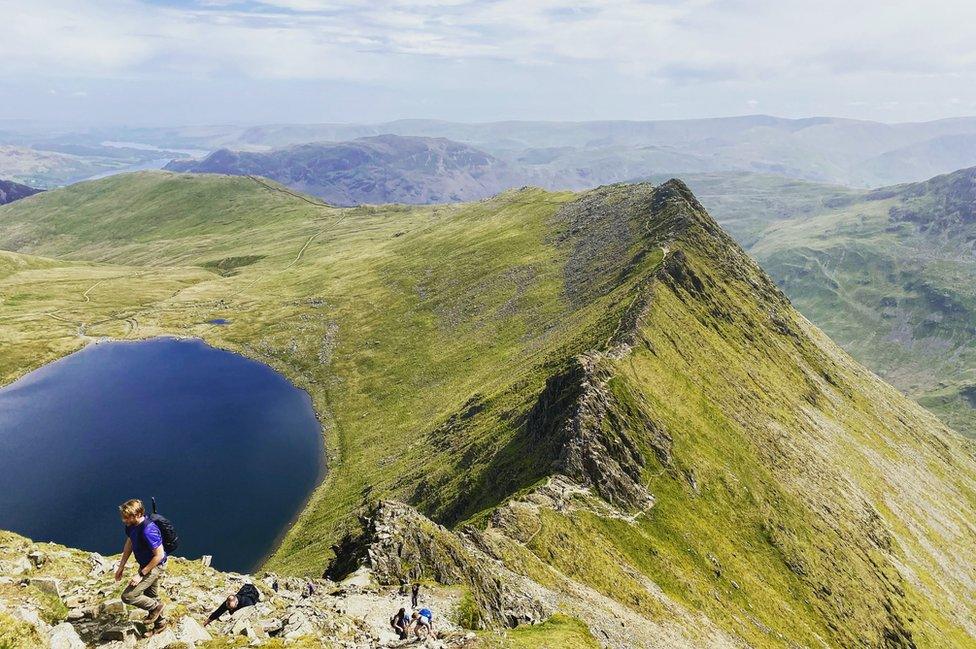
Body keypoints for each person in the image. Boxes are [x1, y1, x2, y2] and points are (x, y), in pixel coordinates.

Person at [115, 499, 167, 625]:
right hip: (146, 564)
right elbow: (130, 542)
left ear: (138, 515)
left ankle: (156, 607)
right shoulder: (131, 526)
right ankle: (161, 625)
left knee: (128, 596)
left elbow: (159, 555)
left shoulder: (148, 530)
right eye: (123, 517)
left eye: (127, 517)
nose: (124, 520)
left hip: (155, 566)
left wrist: (140, 575)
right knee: (151, 596)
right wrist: (121, 566)